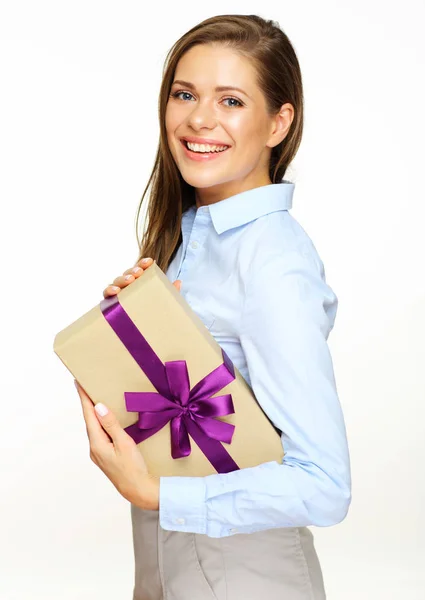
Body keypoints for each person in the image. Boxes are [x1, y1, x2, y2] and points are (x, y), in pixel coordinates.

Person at [76, 13, 351, 600]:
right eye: (185, 94)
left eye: (230, 100)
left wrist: (159, 496)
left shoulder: (273, 261)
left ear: (279, 122)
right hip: (169, 573)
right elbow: (200, 423)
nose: (199, 118)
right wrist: (131, 336)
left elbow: (324, 485)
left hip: (249, 581)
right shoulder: (186, 241)